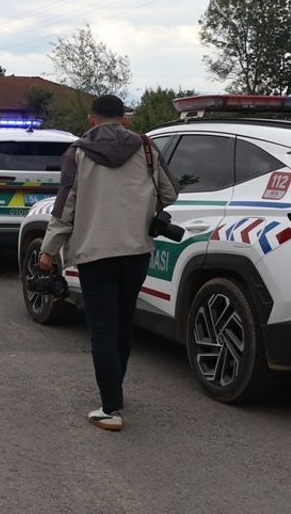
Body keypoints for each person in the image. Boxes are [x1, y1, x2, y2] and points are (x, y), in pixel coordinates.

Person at [38, 95, 178, 432]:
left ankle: (111, 408)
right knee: (123, 322)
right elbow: (170, 193)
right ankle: (116, 390)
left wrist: (48, 250)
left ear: (91, 120)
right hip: (136, 251)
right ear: (125, 119)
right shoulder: (146, 148)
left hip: (95, 252)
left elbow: (65, 206)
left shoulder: (77, 152)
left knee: (102, 330)